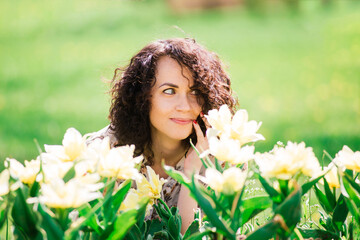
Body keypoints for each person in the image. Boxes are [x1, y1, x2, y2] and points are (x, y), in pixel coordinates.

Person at [87, 38, 237, 233]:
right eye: (169, 91)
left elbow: (190, 236)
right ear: (143, 96)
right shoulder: (104, 153)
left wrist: (191, 172)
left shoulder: (219, 159)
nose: (184, 106)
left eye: (195, 92)